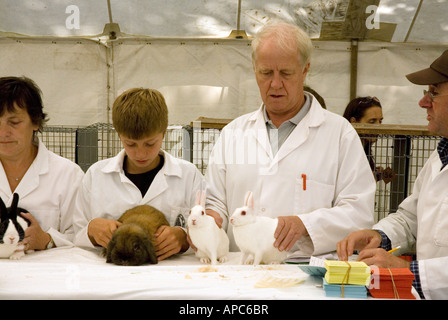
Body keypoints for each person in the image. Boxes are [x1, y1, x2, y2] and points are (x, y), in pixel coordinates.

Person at [205, 21, 376, 255]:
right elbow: (216, 203)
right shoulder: (233, 134)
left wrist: (306, 224)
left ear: (305, 69)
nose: (275, 84)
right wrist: (210, 222)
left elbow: (359, 212)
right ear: (254, 69)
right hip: (241, 274)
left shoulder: (339, 134)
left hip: (306, 278)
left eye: (286, 73)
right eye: (266, 73)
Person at [336, 49, 448, 299]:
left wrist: (408, 270)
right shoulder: (439, 156)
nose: (423, 102)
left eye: (434, 92)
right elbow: (411, 218)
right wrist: (380, 235)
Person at [73, 88, 203, 261]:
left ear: (164, 133)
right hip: (110, 276)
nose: (141, 154)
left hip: (172, 277)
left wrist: (184, 238)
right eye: (131, 144)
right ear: (119, 136)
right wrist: (91, 230)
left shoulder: (189, 175)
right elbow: (75, 234)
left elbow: (210, 228)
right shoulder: (96, 175)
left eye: (150, 144)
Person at [0, 76, 84, 250]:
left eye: (14, 122)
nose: (3, 133)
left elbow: (83, 235)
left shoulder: (68, 174)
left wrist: (47, 240)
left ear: (36, 122)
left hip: (48, 275)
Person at [343, 96, 384, 181]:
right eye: (372, 122)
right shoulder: (345, 150)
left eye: (380, 121)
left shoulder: (364, 148)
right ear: (353, 122)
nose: (378, 127)